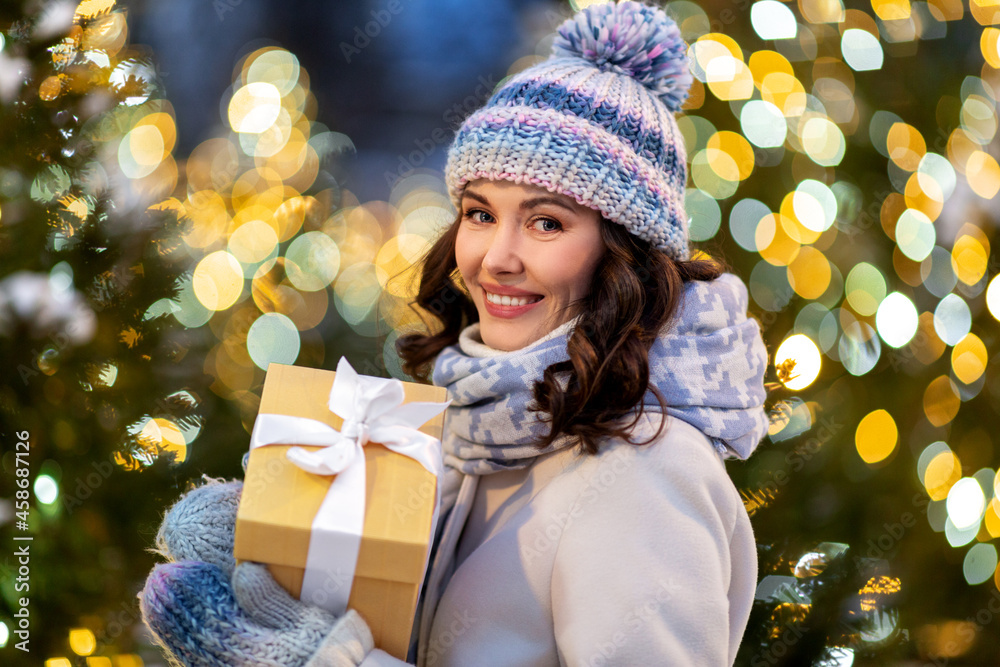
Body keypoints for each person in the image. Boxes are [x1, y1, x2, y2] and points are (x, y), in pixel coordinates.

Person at [139, 2, 769, 665]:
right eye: (479, 212)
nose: (496, 256)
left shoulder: (644, 473)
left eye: (546, 222)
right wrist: (303, 553)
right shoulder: (485, 433)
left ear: (622, 253)